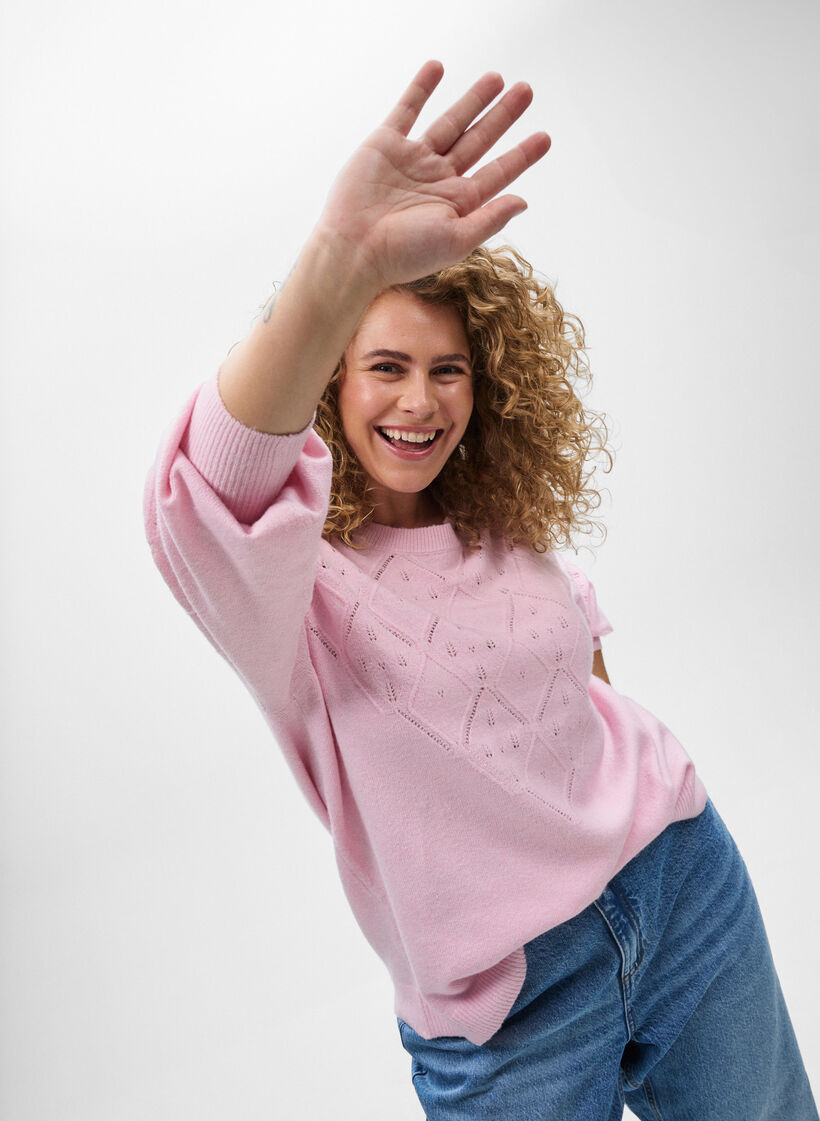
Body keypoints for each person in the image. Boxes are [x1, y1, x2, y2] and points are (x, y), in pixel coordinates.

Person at [144, 61, 817, 1119]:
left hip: (682, 886)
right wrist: (337, 263)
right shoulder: (288, 581)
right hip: (510, 1010)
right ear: (331, 377)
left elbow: (587, 678)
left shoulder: (499, 521)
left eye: (446, 369)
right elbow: (212, 485)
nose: (419, 401)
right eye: (386, 366)